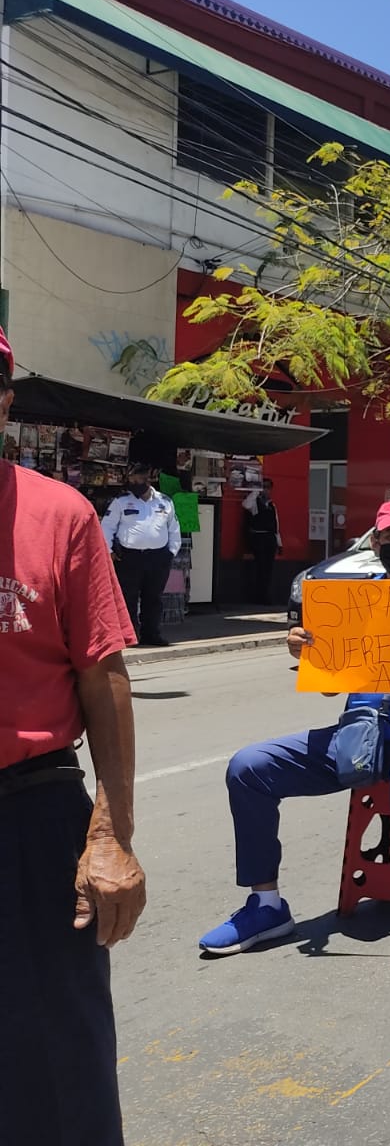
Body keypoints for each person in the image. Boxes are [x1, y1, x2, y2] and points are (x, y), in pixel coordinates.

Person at [198, 498, 390, 975]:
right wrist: (308, 653)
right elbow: (329, 687)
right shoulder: (355, 602)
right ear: (375, 543)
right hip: (360, 735)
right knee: (249, 767)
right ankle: (266, 905)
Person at [0, 326, 147, 1145]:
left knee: (60, 1063)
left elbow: (103, 676)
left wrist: (110, 835)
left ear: (5, 401)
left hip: (32, 815)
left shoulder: (61, 515)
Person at [101, 461, 181, 647]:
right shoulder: (121, 502)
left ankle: (151, 634)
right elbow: (107, 527)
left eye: (137, 480)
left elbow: (174, 529)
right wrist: (109, 552)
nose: (134, 483)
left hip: (158, 557)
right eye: (131, 480)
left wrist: (171, 552)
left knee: (153, 597)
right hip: (129, 557)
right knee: (128, 597)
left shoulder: (165, 502)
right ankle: (130, 636)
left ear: (147, 480)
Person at [243, 479, 282, 605]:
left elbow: (276, 526)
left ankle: (266, 595)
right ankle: (258, 596)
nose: (266, 490)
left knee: (268, 569)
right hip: (258, 539)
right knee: (260, 568)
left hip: (270, 539)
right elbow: (245, 505)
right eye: (264, 487)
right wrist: (256, 490)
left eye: (268, 487)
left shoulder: (272, 505)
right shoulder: (255, 502)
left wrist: (279, 543)